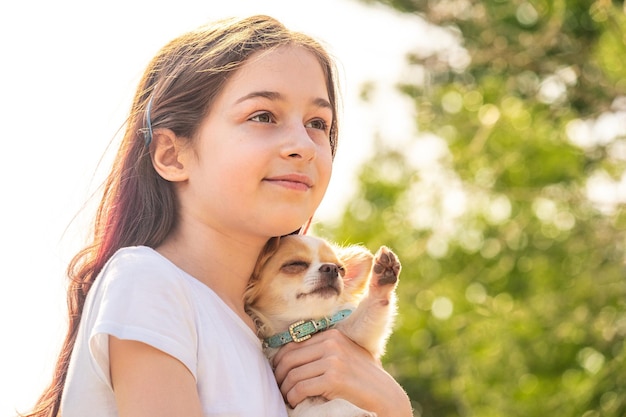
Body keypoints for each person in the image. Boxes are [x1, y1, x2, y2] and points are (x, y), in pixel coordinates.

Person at [23, 15, 413, 417]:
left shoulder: (270, 340)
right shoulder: (150, 283)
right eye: (262, 116)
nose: (304, 145)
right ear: (172, 155)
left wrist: (390, 402)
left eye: (318, 123)